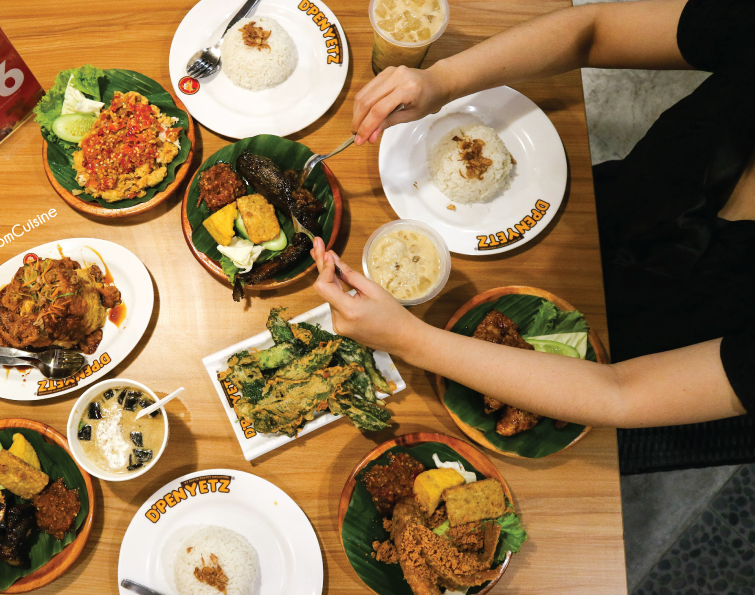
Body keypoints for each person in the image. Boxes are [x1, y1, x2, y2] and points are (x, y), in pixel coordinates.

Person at [311, 0, 755, 430]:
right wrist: (441, 81)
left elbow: (621, 393)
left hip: (637, 354)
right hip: (590, 211)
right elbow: (593, 30)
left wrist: (407, 339)